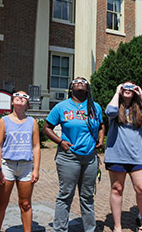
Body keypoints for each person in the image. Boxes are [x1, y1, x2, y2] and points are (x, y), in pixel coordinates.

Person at [43, 77, 104, 232]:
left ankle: (89, 229)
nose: (80, 82)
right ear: (70, 88)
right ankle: (60, 229)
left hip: (90, 158)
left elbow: (101, 124)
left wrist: (101, 139)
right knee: (65, 195)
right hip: (68, 156)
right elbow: (47, 127)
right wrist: (60, 141)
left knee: (87, 196)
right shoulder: (61, 107)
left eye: (83, 81)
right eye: (76, 81)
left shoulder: (95, 107)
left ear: (88, 88)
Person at [104, 82, 142, 232]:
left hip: (136, 156)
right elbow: (110, 111)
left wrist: (141, 94)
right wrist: (117, 92)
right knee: (117, 189)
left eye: (131, 88)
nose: (127, 90)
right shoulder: (115, 107)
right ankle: (118, 226)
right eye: (124, 88)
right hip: (116, 155)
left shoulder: (138, 110)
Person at [0, 91, 41, 232]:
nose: (21, 97)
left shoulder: (32, 122)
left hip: (26, 167)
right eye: (17, 95)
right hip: (8, 166)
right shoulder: (4, 121)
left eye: (25, 96)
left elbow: (36, 146)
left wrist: (36, 169)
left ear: (27, 103)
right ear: (12, 102)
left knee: (25, 204)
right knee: (1, 203)